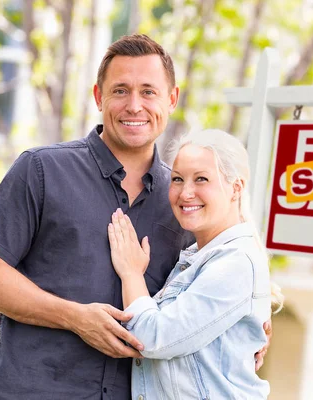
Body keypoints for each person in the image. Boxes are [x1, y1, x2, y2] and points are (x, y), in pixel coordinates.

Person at [0, 34, 271, 400]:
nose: (134, 106)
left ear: (171, 99)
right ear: (99, 97)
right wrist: (75, 318)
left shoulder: (182, 203)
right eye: (120, 91)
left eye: (148, 92)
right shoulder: (43, 169)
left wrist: (249, 329)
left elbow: (210, 295)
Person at [107, 128, 283, 399]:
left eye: (201, 179)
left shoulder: (236, 262)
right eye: (177, 179)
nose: (185, 193)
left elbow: (154, 338)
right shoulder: (196, 256)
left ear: (235, 188)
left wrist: (131, 274)